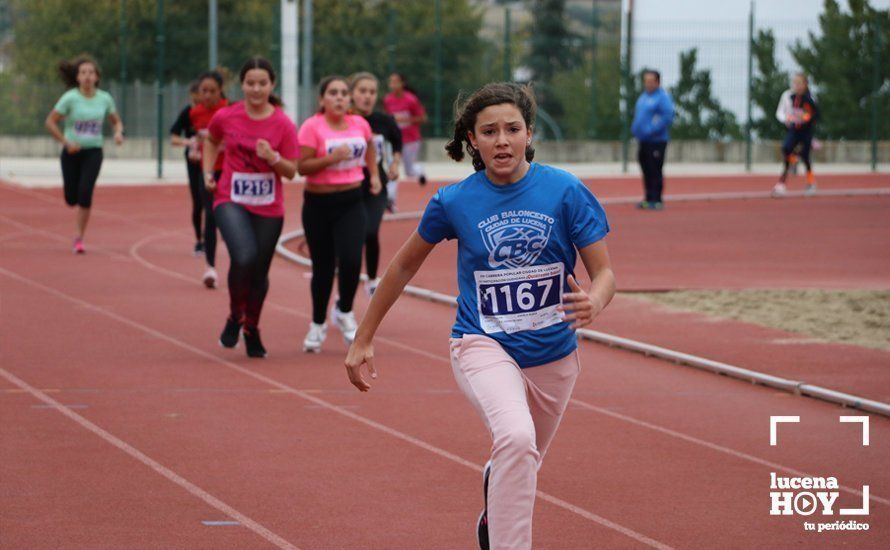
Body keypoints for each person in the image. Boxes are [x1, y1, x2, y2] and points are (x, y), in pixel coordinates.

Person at [344, 82, 615, 550]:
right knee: (514, 436)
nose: (502, 140)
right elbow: (403, 264)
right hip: (480, 343)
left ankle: (495, 500)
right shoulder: (454, 201)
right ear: (472, 139)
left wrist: (595, 300)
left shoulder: (565, 191)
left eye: (512, 129)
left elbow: (605, 271)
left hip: (554, 355)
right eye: (489, 131)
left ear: (529, 133)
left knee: (521, 456)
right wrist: (363, 336)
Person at [203, 57, 299, 358]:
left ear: (272, 86)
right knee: (243, 256)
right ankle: (235, 316)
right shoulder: (226, 115)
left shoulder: (283, 123)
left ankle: (251, 328)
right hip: (230, 198)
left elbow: (291, 171)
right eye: (250, 83)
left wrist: (272, 157)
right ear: (241, 85)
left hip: (269, 206)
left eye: (262, 83)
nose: (256, 89)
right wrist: (209, 171)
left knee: (259, 271)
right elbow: (211, 139)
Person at [298, 76, 381, 353]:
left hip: (351, 200)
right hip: (318, 204)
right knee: (322, 267)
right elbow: (303, 167)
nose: (340, 98)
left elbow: (369, 146)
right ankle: (317, 323)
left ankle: (344, 310)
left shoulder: (359, 124)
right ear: (322, 99)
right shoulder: (312, 127)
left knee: (350, 259)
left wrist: (374, 175)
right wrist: (330, 159)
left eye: (344, 93)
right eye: (333, 93)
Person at [45, 55, 124, 254]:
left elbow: (116, 121)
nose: (87, 76)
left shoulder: (104, 98)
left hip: (93, 152)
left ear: (97, 77)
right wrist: (66, 142)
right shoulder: (70, 97)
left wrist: (118, 132)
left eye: (91, 73)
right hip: (71, 152)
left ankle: (79, 237)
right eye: (83, 73)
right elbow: (50, 122)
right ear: (77, 77)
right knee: (71, 198)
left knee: (85, 192)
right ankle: (74, 204)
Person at [349, 72, 403, 296]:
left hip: (376, 184)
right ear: (352, 94)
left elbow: (398, 143)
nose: (367, 96)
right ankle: (344, 294)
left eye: (372, 92)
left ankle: (371, 280)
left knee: (370, 230)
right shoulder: (344, 120)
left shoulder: (384, 121)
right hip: (348, 185)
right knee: (350, 237)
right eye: (362, 91)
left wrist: (395, 164)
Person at [190, 71, 230, 287]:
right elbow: (197, 137)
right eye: (203, 91)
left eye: (212, 91)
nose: (207, 95)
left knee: (228, 214)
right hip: (208, 170)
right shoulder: (195, 113)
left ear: (220, 90)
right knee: (210, 215)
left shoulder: (229, 110)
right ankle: (211, 267)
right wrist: (196, 147)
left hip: (230, 170)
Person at [630, 69, 674, 210]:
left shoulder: (662, 98)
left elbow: (667, 116)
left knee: (655, 169)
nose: (647, 84)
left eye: (650, 81)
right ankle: (648, 197)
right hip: (643, 140)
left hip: (656, 141)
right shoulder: (643, 97)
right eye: (645, 81)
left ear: (657, 82)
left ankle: (657, 199)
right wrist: (635, 129)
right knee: (646, 169)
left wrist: (651, 129)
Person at [383, 72, 427, 211]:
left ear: (402, 84)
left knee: (409, 172)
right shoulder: (388, 100)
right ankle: (390, 199)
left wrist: (404, 119)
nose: (393, 85)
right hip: (395, 139)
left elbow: (422, 118)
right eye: (391, 82)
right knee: (393, 166)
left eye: (396, 82)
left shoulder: (411, 100)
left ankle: (420, 171)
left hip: (411, 139)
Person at [170, 80, 205, 256]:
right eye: (194, 98)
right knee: (198, 201)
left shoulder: (217, 112)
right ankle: (199, 240)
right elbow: (173, 137)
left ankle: (213, 234)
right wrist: (188, 141)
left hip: (214, 161)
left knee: (214, 201)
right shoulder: (188, 112)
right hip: (194, 162)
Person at [772, 73, 819, 197]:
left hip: (806, 131)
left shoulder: (810, 99)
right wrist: (787, 118)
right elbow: (780, 112)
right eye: (795, 83)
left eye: (799, 83)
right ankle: (782, 183)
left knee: (805, 156)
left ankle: (810, 183)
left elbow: (814, 115)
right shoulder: (788, 96)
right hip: (794, 130)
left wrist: (805, 117)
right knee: (786, 149)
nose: (796, 86)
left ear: (805, 85)